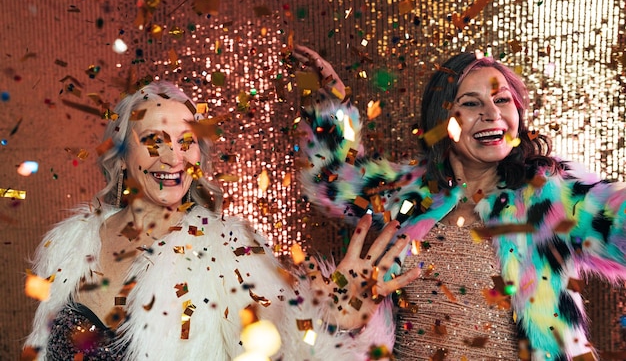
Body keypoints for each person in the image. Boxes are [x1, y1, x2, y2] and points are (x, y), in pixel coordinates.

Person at [23, 80, 421, 360]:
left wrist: (328, 321)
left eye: (186, 141)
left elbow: (278, 348)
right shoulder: (71, 245)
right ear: (122, 155)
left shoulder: (230, 251)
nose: (173, 158)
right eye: (153, 141)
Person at [292, 45, 626, 360]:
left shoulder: (551, 198)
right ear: (442, 118)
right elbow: (332, 177)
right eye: (470, 103)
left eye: (502, 99)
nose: (492, 114)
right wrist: (331, 103)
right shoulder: (406, 197)